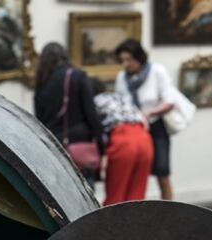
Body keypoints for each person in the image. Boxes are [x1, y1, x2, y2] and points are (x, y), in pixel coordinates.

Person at [114, 39, 176, 200]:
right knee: (135, 175)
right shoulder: (122, 77)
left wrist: (148, 113)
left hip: (156, 127)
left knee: (162, 172)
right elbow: (120, 103)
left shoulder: (157, 71)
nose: (125, 64)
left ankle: (169, 210)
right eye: (122, 60)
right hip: (134, 130)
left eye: (129, 60)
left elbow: (170, 101)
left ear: (139, 57)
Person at [33, 42, 102, 184]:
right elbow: (91, 114)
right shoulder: (78, 76)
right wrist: (101, 145)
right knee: (84, 191)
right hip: (79, 145)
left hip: (53, 147)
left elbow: (39, 121)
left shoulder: (41, 82)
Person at [92, 79, 154, 205]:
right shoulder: (121, 97)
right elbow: (144, 120)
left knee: (116, 196)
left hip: (122, 139)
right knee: (137, 195)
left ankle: (111, 219)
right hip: (144, 138)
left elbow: (96, 130)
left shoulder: (95, 101)